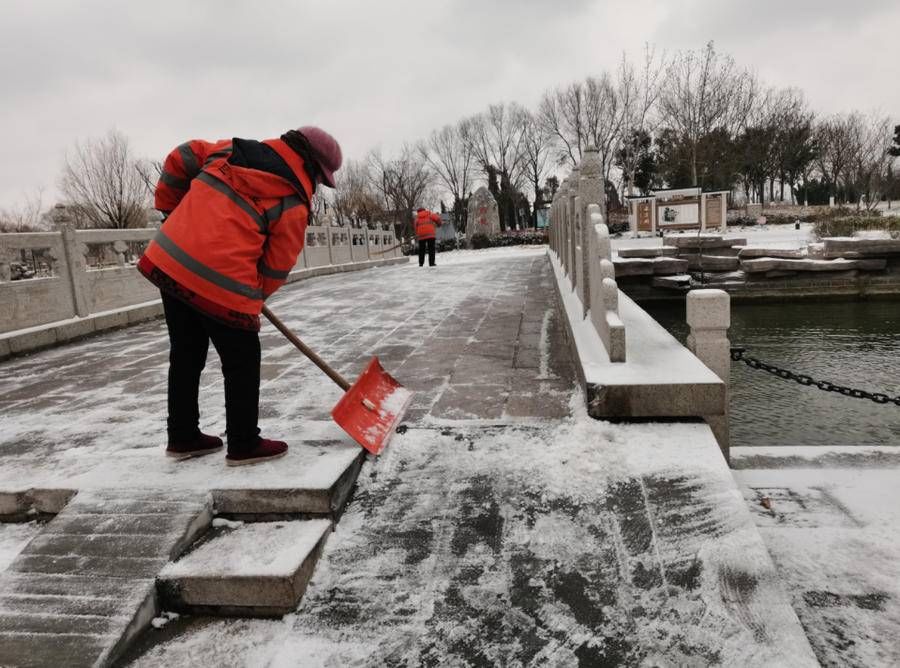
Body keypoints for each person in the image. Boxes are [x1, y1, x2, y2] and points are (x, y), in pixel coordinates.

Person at [138, 127, 342, 466]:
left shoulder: (228, 151)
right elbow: (277, 266)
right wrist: (251, 297)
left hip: (170, 262)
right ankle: (244, 443)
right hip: (224, 280)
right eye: (320, 178)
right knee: (242, 359)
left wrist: (171, 211)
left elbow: (181, 157)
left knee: (186, 353)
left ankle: (183, 435)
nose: (318, 186)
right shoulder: (293, 200)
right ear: (311, 167)